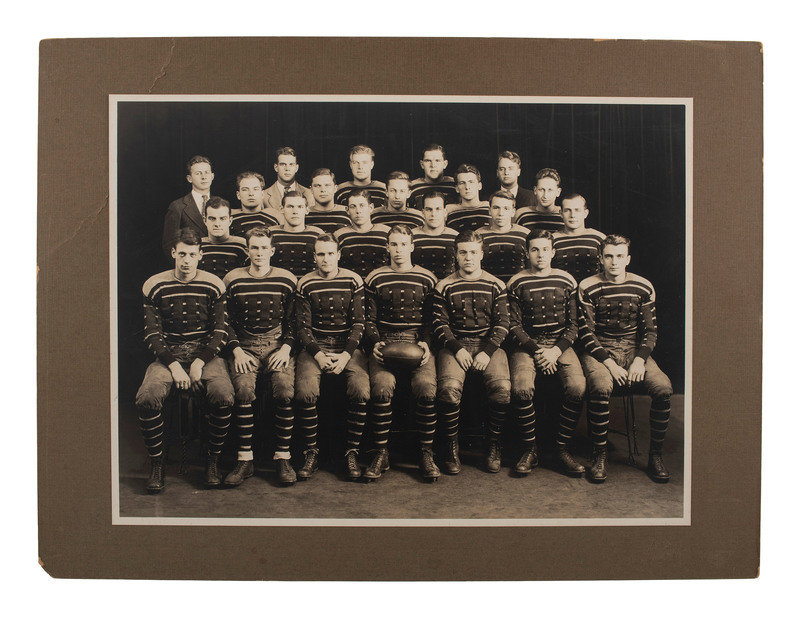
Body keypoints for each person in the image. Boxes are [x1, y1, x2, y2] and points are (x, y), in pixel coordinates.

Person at [135, 228, 234, 493]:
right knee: (147, 397)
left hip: (205, 355)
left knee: (223, 394)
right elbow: (152, 334)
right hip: (170, 357)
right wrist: (174, 366)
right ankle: (157, 463)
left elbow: (220, 330)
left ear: (200, 255)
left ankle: (212, 461)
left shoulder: (214, 284)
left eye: (192, 254)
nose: (187, 261)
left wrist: (200, 362)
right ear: (173, 253)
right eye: (182, 254)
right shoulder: (155, 285)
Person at [578, 235, 672, 484]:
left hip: (633, 349)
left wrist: (639, 360)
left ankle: (655, 456)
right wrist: (609, 364)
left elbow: (650, 331)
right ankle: (599, 455)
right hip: (599, 350)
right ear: (601, 258)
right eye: (609, 256)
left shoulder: (643, 286)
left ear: (628, 259)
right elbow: (586, 333)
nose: (614, 262)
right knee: (601, 386)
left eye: (620, 256)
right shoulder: (588, 286)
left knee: (663, 388)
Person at [222, 226, 298, 487]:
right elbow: (225, 321)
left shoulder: (286, 279)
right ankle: (245, 459)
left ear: (272, 250)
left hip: (277, 344)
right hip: (245, 347)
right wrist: (236, 350)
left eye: (264, 247)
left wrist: (286, 348)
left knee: (284, 389)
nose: (259, 252)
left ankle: (283, 457)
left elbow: (294, 321)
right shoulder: (232, 279)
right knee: (243, 390)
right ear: (247, 250)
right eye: (254, 247)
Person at [363, 225, 440, 482]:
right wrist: (375, 342)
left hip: (416, 341)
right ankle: (381, 452)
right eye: (394, 244)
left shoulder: (427, 278)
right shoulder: (375, 277)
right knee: (381, 387)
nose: (399, 250)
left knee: (426, 387)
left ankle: (426, 453)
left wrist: (427, 343)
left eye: (403, 244)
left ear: (412, 246)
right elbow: (369, 319)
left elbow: (432, 320)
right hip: (385, 341)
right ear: (387, 247)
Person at [506, 230, 586, 477]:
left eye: (545, 249)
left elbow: (574, 325)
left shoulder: (567, 280)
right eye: (535, 249)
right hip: (528, 345)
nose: (540, 255)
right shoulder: (516, 282)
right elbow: (514, 325)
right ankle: (530, 449)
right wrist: (538, 351)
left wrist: (555, 351)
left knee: (577, 386)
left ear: (553, 252)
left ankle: (562, 448)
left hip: (559, 344)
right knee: (521, 387)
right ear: (527, 253)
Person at [431, 230, 511, 474]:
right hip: (455, 345)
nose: (468, 257)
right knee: (448, 390)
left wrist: (487, 351)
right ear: (456, 255)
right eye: (463, 252)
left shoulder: (496, 284)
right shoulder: (444, 285)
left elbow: (503, 323)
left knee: (502, 390)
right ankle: (451, 448)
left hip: (489, 346)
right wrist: (457, 349)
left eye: (473, 252)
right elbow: (439, 323)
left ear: (482, 254)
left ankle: (493, 445)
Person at [294, 234, 371, 481]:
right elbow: (302, 328)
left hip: (347, 347)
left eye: (330, 253)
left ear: (338, 255)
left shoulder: (353, 279)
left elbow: (359, 323)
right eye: (320, 254)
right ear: (314, 256)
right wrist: (318, 355)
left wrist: (346, 355)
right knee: (305, 391)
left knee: (361, 389)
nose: (326, 259)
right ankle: (311, 452)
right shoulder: (305, 283)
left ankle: (351, 451)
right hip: (315, 347)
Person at [162, 155, 215, 258]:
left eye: (206, 172)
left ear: (212, 176)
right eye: (198, 173)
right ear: (189, 178)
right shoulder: (177, 207)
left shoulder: (221, 204)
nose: (203, 177)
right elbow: (169, 245)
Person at [475, 190, 530, 284]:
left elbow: (531, 270)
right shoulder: (478, 235)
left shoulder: (525, 235)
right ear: (489, 210)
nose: (500, 213)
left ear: (513, 212)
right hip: (487, 287)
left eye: (506, 208)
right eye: (496, 208)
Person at [334, 189, 391, 279]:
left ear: (371, 207)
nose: (358, 211)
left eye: (362, 205)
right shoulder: (339, 236)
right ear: (347, 210)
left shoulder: (386, 233)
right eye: (353, 207)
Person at [551, 193, 607, 283]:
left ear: (585, 213)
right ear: (561, 213)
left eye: (577, 210)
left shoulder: (599, 238)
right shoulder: (552, 240)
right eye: (567, 210)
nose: (572, 215)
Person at [268, 191, 325, 277]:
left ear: (307, 210)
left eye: (300, 207)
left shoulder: (317, 234)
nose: (295, 211)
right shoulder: (270, 234)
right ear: (281, 209)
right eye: (290, 206)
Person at [410, 191, 459, 280]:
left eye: (438, 209)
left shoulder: (455, 237)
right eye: (429, 209)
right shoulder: (411, 236)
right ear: (423, 212)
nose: (433, 214)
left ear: (445, 212)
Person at [199, 197, 248, 280]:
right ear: (204, 220)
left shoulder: (242, 246)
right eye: (212, 219)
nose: (217, 224)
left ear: (230, 220)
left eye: (222, 219)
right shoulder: (198, 246)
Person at [230, 171, 284, 238]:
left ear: (262, 194)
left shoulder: (275, 216)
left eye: (255, 189)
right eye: (245, 189)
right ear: (238, 195)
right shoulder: (229, 217)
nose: (251, 194)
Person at [262, 147, 314, 211]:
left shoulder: (310, 194)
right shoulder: (263, 196)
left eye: (291, 164)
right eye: (283, 164)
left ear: (296, 168)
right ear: (276, 167)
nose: (287, 169)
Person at [409, 144, 458, 209]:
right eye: (428, 161)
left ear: (445, 164)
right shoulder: (412, 187)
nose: (433, 165)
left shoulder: (455, 185)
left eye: (437, 160)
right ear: (422, 164)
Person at [515, 168, 565, 232]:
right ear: (535, 190)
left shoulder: (564, 215)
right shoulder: (522, 215)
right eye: (541, 190)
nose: (545, 195)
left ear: (558, 192)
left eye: (550, 190)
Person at [446, 164, 491, 233]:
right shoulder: (449, 212)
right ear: (457, 188)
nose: (467, 187)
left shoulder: (490, 208)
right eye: (462, 183)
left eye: (471, 182)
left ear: (479, 186)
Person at [305, 168, 352, 234]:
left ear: (335, 188)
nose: (323, 190)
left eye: (327, 185)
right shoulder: (304, 214)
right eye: (317, 186)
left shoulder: (348, 212)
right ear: (311, 189)